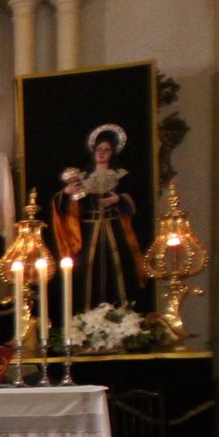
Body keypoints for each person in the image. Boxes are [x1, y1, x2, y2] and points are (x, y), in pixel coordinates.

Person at [51, 125, 149, 311]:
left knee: (118, 269)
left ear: (113, 153)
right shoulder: (82, 176)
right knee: (87, 270)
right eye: (99, 149)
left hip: (116, 228)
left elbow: (139, 198)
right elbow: (64, 205)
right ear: (93, 151)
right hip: (88, 231)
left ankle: (121, 313)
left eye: (107, 150)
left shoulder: (121, 176)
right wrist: (67, 192)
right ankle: (87, 313)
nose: (102, 153)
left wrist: (119, 199)